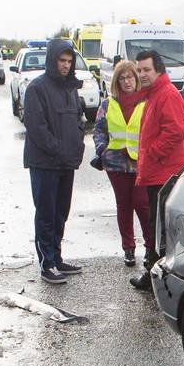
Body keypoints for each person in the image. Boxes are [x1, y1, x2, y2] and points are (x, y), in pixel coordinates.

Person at [23, 38, 85, 285]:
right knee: (46, 213)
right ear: (52, 60)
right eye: (62, 60)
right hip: (45, 163)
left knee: (61, 213)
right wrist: (58, 149)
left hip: (66, 163)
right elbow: (36, 127)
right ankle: (46, 263)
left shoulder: (71, 88)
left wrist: (77, 147)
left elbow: (78, 121)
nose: (66, 65)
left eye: (69, 61)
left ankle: (56, 258)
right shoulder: (37, 88)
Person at [130, 49, 184, 290]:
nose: (142, 74)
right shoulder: (153, 94)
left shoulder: (167, 95)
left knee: (160, 230)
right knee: (157, 227)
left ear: (159, 70)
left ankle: (157, 280)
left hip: (165, 174)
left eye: (147, 70)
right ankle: (155, 275)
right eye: (140, 69)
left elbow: (174, 132)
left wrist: (152, 154)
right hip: (156, 172)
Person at [91, 60, 153, 266]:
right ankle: (128, 248)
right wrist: (102, 149)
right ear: (117, 81)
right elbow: (99, 129)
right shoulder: (108, 104)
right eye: (123, 78)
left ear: (137, 79)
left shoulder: (146, 102)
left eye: (131, 77)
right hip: (115, 163)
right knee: (123, 205)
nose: (127, 82)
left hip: (141, 163)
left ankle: (150, 247)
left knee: (142, 205)